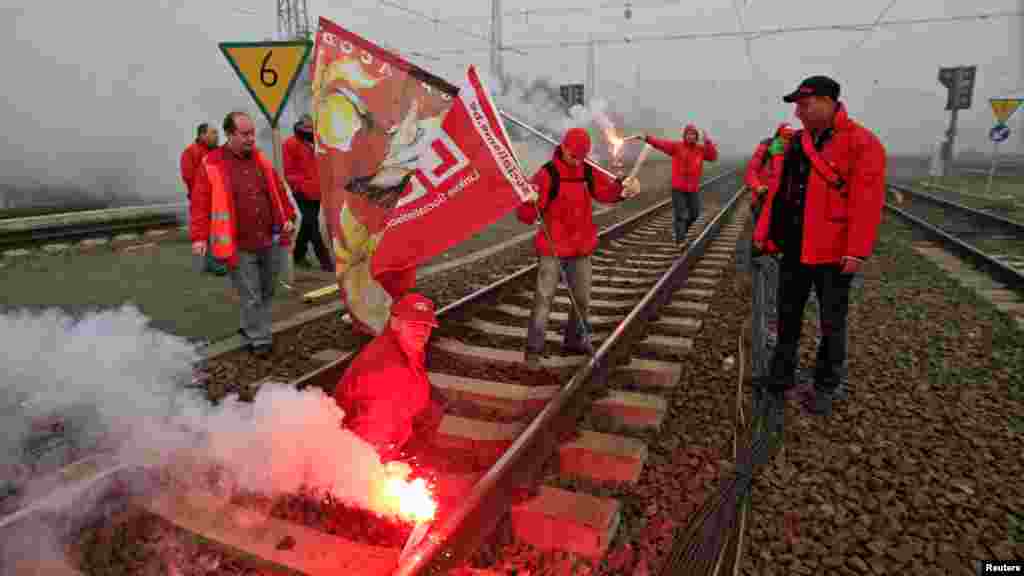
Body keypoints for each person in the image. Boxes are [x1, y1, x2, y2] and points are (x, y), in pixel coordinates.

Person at [752, 75, 886, 416]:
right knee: (787, 316)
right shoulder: (796, 143)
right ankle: (780, 378)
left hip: (834, 253)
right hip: (795, 248)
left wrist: (856, 250)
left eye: (804, 104)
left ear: (828, 102)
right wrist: (768, 234)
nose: (798, 112)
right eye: (797, 106)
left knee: (832, 323)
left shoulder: (862, 143)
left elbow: (866, 202)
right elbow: (778, 190)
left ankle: (826, 385)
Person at [516, 128, 641, 368]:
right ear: (563, 147)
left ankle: (573, 341)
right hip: (553, 248)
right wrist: (528, 202)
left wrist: (623, 191)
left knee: (582, 299)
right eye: (573, 155)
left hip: (581, 247)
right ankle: (533, 351)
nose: (577, 160)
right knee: (543, 300)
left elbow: (605, 193)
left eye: (581, 156)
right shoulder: (546, 174)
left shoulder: (587, 170)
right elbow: (526, 215)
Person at [190, 111, 297, 356]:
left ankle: (251, 326)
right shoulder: (212, 163)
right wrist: (198, 237)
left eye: (252, 134)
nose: (251, 139)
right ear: (229, 135)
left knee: (267, 289)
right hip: (238, 243)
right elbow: (200, 203)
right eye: (245, 134)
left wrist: (288, 216)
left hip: (269, 238)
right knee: (250, 293)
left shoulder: (261, 159)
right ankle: (260, 338)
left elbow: (278, 190)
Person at [333, 293, 438, 460]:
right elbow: (372, 432)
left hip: (386, 433)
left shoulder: (404, 346)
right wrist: (378, 469)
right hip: (357, 453)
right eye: (413, 324)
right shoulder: (387, 372)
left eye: (426, 325)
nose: (421, 331)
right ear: (395, 323)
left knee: (434, 409)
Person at [631, 125, 718, 246]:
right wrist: (646, 138)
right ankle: (680, 241)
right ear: (684, 136)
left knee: (695, 214)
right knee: (680, 215)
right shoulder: (676, 147)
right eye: (688, 134)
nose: (691, 137)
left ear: (697, 137)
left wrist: (708, 141)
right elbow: (660, 144)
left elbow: (713, 157)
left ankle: (682, 232)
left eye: (693, 135)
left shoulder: (700, 149)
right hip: (678, 188)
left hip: (693, 189)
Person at [283, 113, 334, 272]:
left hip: (316, 190)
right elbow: (289, 171)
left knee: (307, 223)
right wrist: (299, 186)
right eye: (306, 127)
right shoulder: (290, 143)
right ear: (299, 126)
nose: (309, 130)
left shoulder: (316, 142)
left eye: (311, 127)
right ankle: (325, 262)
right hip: (302, 191)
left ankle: (298, 255)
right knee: (313, 225)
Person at [181, 123, 226, 275]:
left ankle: (216, 261)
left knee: (218, 229)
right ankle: (213, 263)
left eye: (217, 133)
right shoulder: (191, 152)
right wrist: (201, 193)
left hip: (217, 197)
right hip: (203, 197)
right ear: (202, 135)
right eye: (213, 133)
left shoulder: (217, 152)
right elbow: (189, 176)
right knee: (207, 230)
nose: (217, 136)